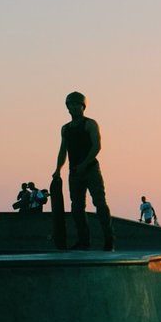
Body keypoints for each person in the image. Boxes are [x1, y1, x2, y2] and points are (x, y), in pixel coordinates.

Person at [54, 92, 114, 251]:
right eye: (71, 105)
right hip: (74, 172)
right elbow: (63, 151)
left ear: (83, 106)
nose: (74, 107)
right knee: (77, 208)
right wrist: (57, 170)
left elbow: (97, 146)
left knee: (100, 204)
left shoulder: (90, 124)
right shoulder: (65, 129)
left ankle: (109, 240)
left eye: (77, 104)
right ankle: (83, 241)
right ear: (67, 107)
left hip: (91, 169)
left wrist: (84, 165)